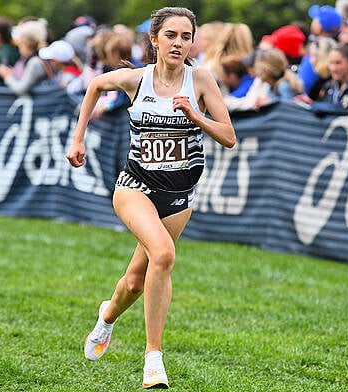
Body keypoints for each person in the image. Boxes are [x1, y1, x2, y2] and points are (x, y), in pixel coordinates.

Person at [66, 7, 235, 389]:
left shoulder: (201, 80)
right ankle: (153, 359)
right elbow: (93, 86)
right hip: (135, 187)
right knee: (164, 254)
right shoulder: (135, 79)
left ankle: (106, 317)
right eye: (171, 35)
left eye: (186, 36)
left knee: (135, 281)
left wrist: (196, 115)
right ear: (154, 39)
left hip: (177, 197)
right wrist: (78, 139)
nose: (179, 43)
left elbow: (228, 136)